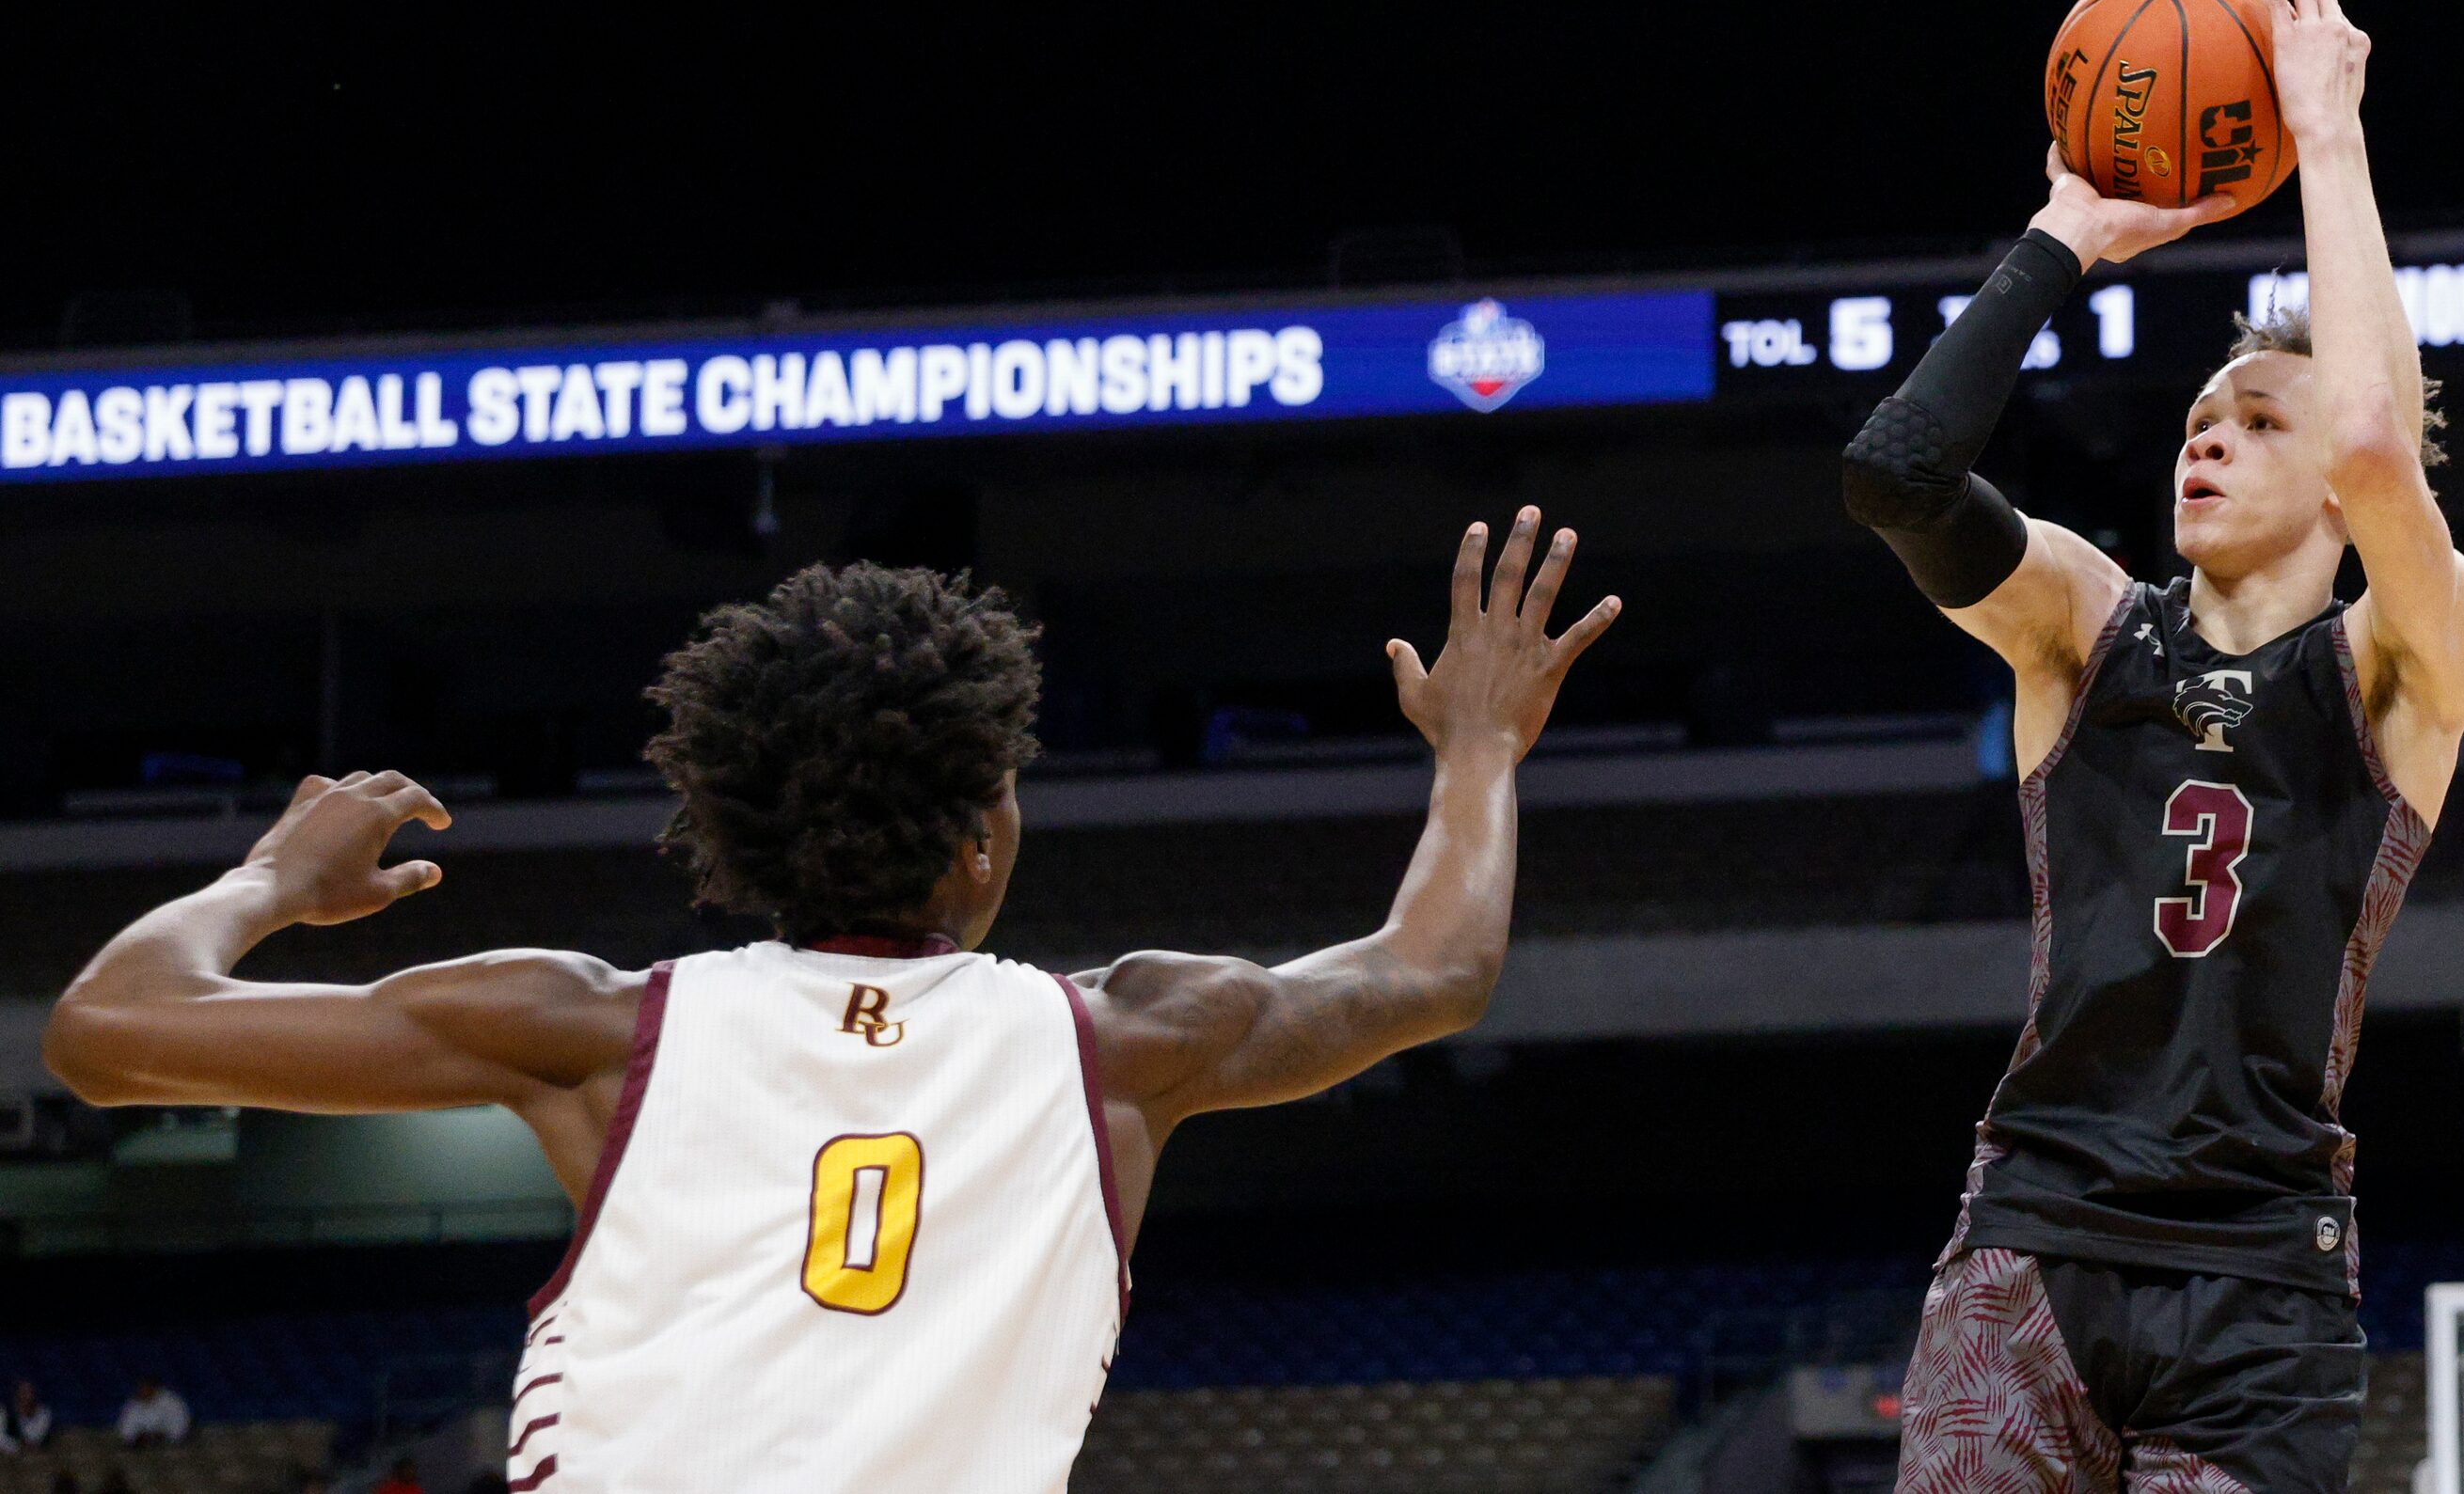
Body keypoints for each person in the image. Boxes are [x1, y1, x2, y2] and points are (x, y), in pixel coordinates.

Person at [42, 512, 1619, 1493]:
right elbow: (1432, 967)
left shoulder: (584, 1024)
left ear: (736, 830)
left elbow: (107, 1032)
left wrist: (269, 876)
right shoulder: (1134, 1034)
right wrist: (1476, 752)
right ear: (982, 834)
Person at [1846, 0, 2464, 1494]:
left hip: (2263, 1276)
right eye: (2200, 421)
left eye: (2252, 420)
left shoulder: (2411, 657)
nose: (2207, 439)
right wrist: (2062, 234)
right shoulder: (2084, 623)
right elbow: (1895, 475)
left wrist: (2323, 132)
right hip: (2032, 1247)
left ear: (2336, 484)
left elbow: (2369, 434)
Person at [114, 1378, 189, 1447]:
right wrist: (139, 1437)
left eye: (146, 1388)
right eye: (141, 1388)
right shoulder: (132, 1406)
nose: (142, 1391)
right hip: (140, 1447)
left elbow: (180, 1427)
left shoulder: (172, 1403)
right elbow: (125, 1430)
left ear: (155, 1388)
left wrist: (162, 1435)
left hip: (169, 1445)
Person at [2, 1379, 52, 1452]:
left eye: (28, 1392)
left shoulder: (44, 1414)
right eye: (22, 1392)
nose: (25, 1396)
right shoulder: (10, 1417)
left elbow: (36, 1437)